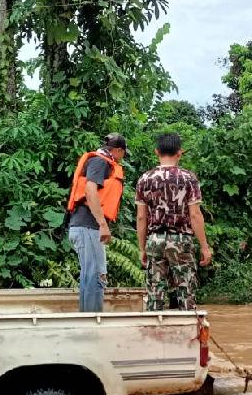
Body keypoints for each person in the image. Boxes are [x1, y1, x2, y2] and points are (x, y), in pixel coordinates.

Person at [135, 132, 213, 311]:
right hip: (181, 240)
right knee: (186, 289)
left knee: (155, 291)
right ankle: (188, 324)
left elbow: (141, 217)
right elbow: (195, 215)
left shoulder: (144, 179)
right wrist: (204, 247)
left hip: (154, 239)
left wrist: (142, 248)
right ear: (180, 152)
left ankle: (154, 324)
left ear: (157, 152)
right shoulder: (188, 179)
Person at [66, 134, 127, 313]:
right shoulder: (100, 162)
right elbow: (90, 190)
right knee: (97, 276)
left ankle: (86, 319)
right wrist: (103, 224)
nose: (122, 157)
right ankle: (93, 321)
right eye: (123, 153)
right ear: (118, 150)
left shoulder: (98, 161)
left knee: (90, 276)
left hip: (83, 227)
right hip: (88, 226)